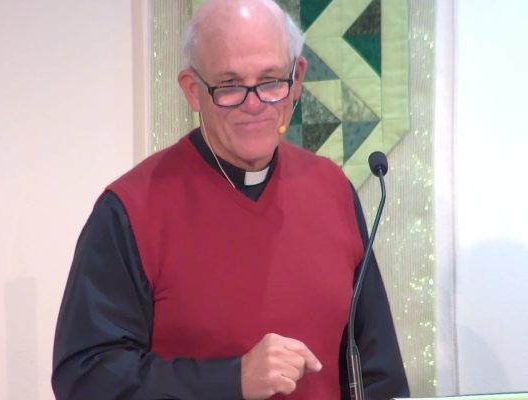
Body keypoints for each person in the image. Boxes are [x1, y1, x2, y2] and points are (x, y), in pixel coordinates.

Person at [51, 0, 409, 398]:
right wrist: (233, 379)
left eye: (271, 81)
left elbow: (378, 372)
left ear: (297, 79)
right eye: (230, 85)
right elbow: (86, 378)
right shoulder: (131, 208)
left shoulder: (331, 188)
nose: (254, 105)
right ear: (193, 90)